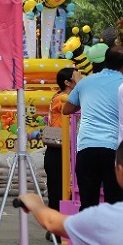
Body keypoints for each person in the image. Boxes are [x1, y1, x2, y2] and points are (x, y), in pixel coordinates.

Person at [63, 45, 123, 210]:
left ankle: (87, 227)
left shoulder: (86, 82)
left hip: (87, 147)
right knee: (116, 202)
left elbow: (67, 109)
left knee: (88, 202)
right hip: (114, 148)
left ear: (105, 60)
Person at [43, 68, 80, 213]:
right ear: (67, 83)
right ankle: (55, 220)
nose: (80, 80)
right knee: (57, 189)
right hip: (58, 148)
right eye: (76, 78)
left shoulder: (64, 96)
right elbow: (81, 102)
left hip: (66, 147)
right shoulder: (62, 98)